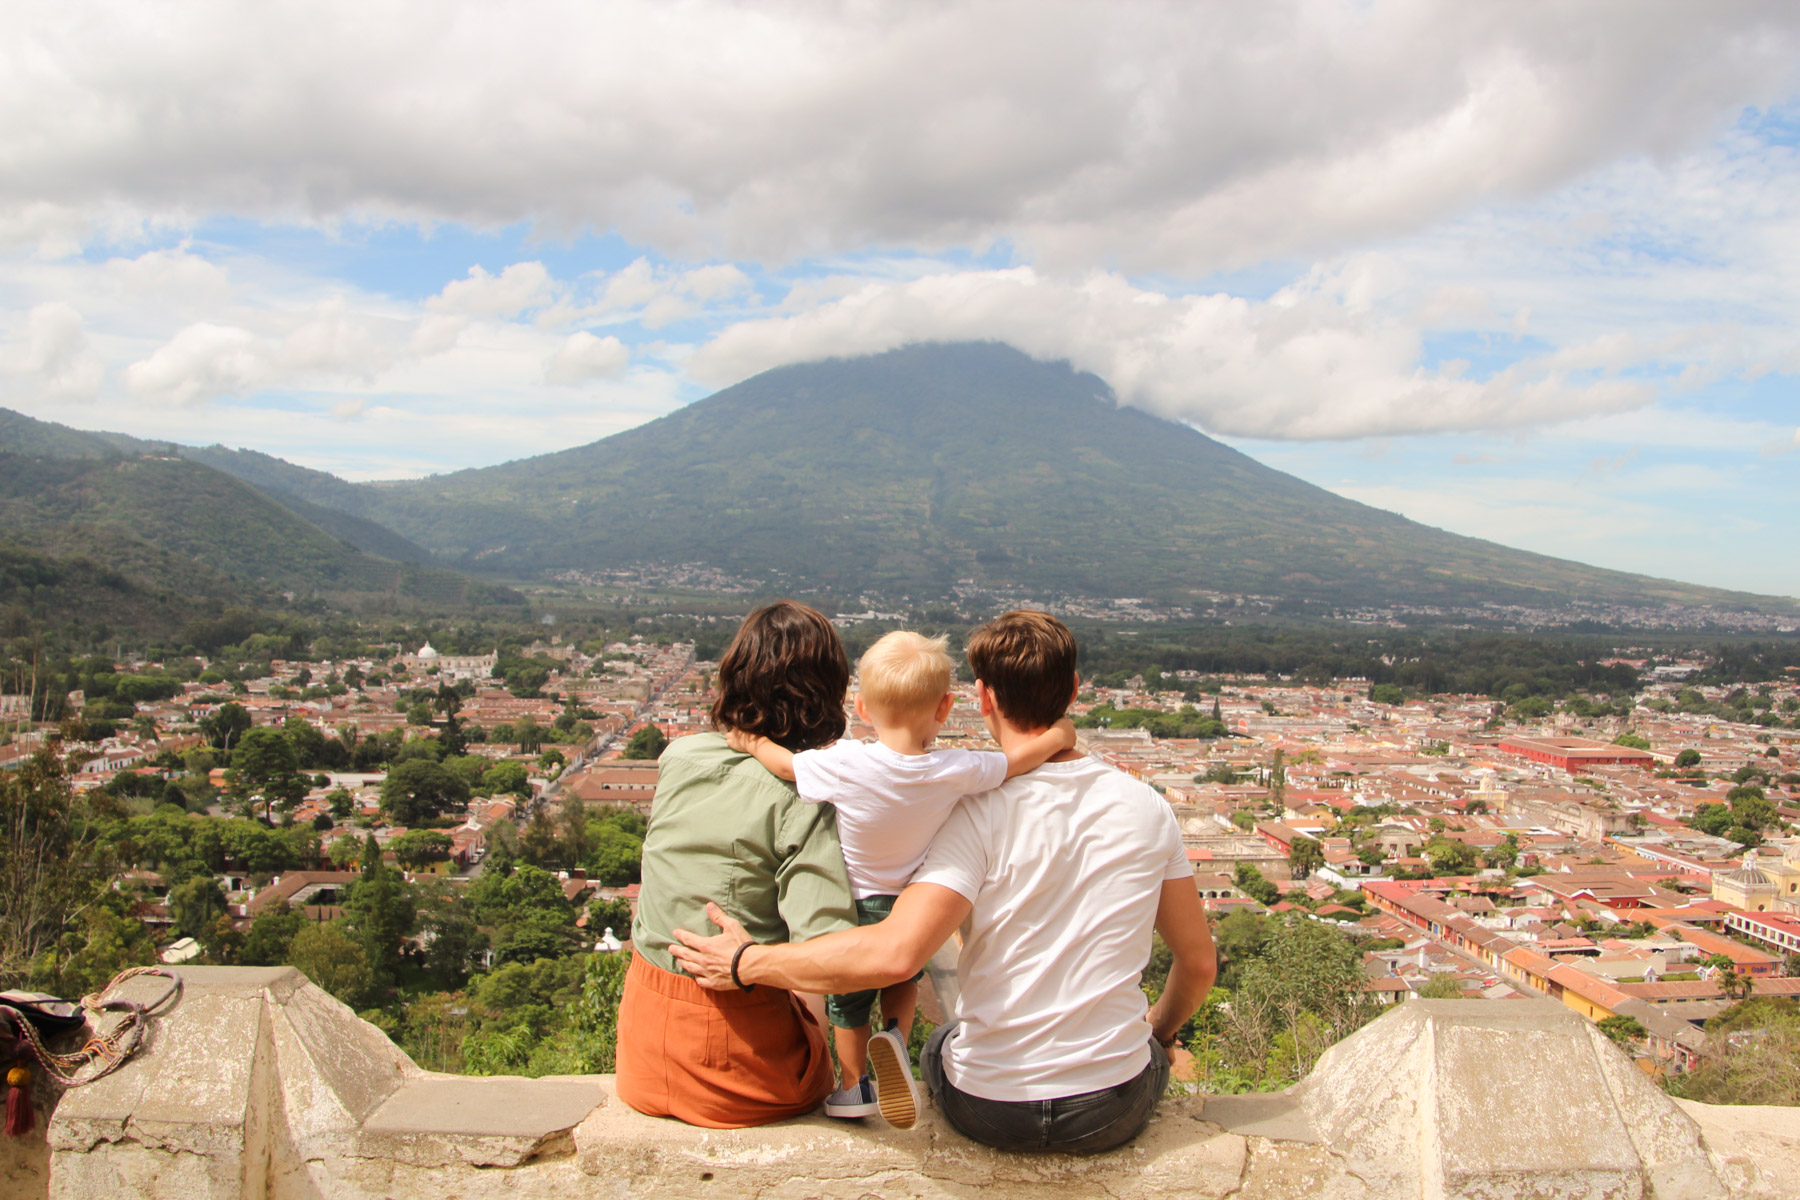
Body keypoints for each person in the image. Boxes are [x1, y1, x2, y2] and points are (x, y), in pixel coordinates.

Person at [673, 610, 1218, 1155]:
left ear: (981, 697)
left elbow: (897, 953)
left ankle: (857, 1077)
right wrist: (1160, 1034)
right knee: (1137, 1048)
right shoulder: (1147, 807)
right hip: (1112, 1108)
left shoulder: (972, 811)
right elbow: (1197, 965)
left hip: (992, 1108)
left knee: (935, 1039)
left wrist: (749, 964)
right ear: (1074, 688)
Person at [725, 630, 1076, 1127]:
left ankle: (852, 1086)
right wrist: (1060, 736)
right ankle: (893, 1035)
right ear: (945, 708)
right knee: (902, 978)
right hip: (912, 906)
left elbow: (783, 766)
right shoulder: (955, 769)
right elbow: (1017, 762)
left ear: (862, 707)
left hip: (853, 902)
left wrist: (751, 739)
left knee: (846, 1001)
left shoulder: (845, 763)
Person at [615, 600, 859, 1129]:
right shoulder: (804, 800)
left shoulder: (678, 759)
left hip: (641, 1052)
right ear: (825, 694)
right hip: (736, 1067)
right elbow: (830, 956)